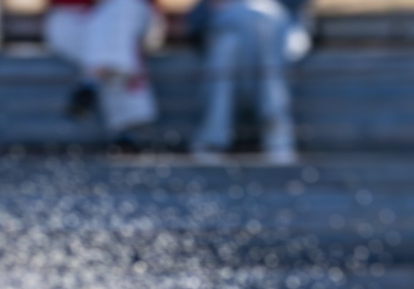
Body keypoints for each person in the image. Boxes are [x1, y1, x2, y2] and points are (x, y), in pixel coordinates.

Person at [189, 0, 298, 165]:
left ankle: (212, 137)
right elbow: (197, 18)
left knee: (235, 41)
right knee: (245, 33)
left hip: (266, 31)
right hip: (243, 31)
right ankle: (276, 132)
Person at [45, 0, 162, 143]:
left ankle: (90, 83)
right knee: (112, 51)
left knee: (118, 15)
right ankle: (129, 128)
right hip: (79, 18)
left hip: (131, 15)